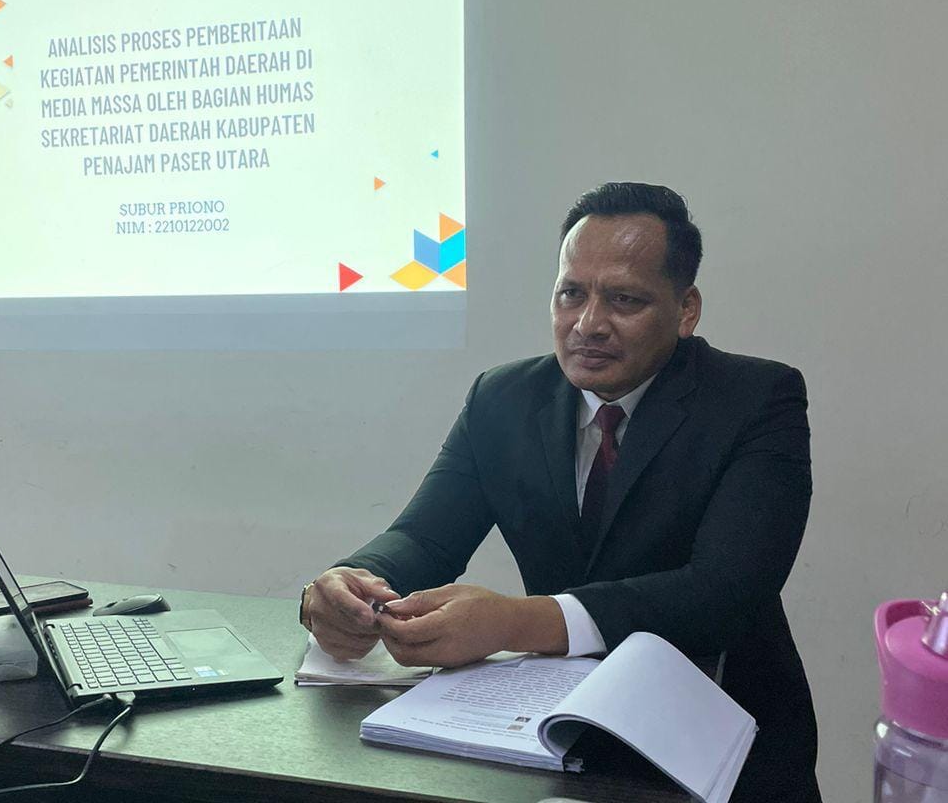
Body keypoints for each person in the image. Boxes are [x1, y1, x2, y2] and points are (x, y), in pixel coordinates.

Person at [300, 183, 819, 803]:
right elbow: (424, 537)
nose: (588, 324)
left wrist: (515, 621)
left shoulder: (756, 399)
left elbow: (724, 590)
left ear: (686, 310)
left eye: (624, 300)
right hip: (550, 736)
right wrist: (351, 581)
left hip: (720, 739)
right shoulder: (502, 398)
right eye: (571, 293)